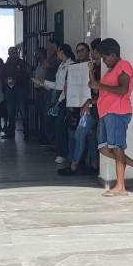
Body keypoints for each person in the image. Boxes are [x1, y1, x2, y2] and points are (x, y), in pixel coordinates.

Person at [89, 38, 133, 196]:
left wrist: (100, 85)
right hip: (106, 113)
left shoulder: (124, 65)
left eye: (105, 57)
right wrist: (91, 72)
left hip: (117, 112)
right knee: (104, 148)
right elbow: (96, 88)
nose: (104, 61)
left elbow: (123, 89)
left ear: (113, 54)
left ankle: (120, 187)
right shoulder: (110, 71)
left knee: (117, 148)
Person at [59, 42, 97, 176]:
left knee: (80, 135)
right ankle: (91, 164)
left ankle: (75, 165)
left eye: (82, 50)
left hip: (90, 108)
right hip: (76, 107)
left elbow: (96, 89)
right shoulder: (73, 68)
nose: (80, 53)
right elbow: (67, 85)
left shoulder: (94, 67)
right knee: (87, 135)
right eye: (78, 51)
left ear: (88, 52)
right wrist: (69, 101)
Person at [34, 44, 74, 163]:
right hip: (56, 94)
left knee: (59, 124)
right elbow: (57, 84)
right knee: (50, 121)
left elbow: (66, 86)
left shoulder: (71, 65)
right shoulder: (61, 65)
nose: (57, 54)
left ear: (62, 52)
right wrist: (43, 83)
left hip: (64, 96)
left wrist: (59, 100)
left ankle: (62, 153)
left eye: (58, 52)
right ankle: (58, 147)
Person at [0, 46, 29, 140]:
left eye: (14, 53)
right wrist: (5, 80)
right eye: (10, 53)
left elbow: (27, 75)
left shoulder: (22, 63)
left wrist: (17, 80)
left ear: (17, 53)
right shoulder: (6, 65)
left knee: (23, 112)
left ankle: (27, 133)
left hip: (20, 90)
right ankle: (11, 132)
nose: (12, 55)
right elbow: (2, 75)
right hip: (10, 91)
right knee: (10, 113)